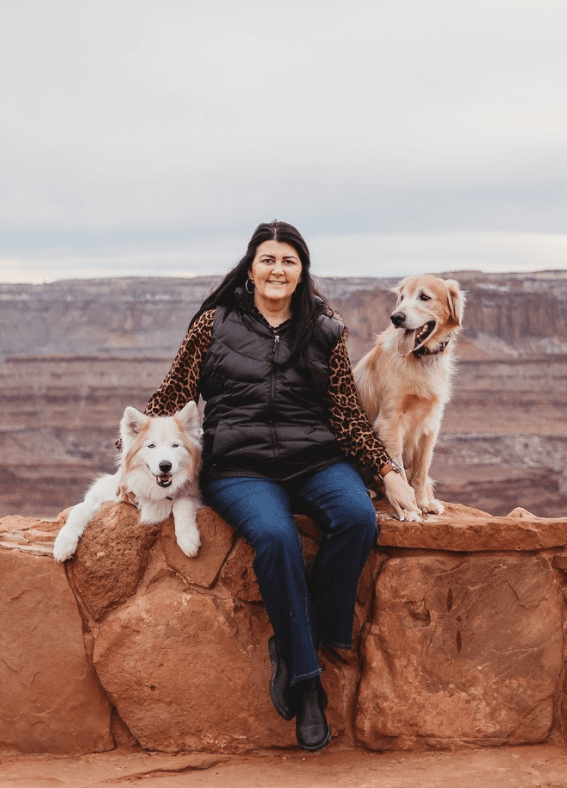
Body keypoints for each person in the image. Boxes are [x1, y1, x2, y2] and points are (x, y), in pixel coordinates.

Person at [143, 220, 419, 751]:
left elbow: (345, 415)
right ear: (251, 268)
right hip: (239, 468)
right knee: (275, 537)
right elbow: (169, 397)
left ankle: (300, 642)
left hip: (315, 458)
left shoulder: (325, 327)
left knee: (357, 518)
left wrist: (388, 473)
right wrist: (129, 464)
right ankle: (308, 684)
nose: (277, 269)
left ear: (301, 271)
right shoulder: (212, 325)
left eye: (288, 260)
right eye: (268, 259)